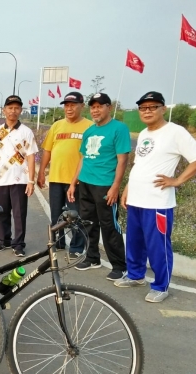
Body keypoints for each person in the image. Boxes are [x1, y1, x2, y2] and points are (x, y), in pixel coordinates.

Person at [115, 91, 196, 302]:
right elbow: (140, 164)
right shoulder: (145, 134)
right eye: (143, 108)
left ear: (163, 109)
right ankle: (135, 275)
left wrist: (177, 181)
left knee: (158, 245)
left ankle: (160, 286)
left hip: (157, 202)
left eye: (152, 107)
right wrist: (128, 188)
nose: (147, 111)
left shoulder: (176, 132)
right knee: (134, 242)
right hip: (137, 199)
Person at [67, 93, 131, 280]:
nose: (95, 110)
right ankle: (92, 257)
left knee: (109, 226)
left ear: (108, 108)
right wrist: (73, 183)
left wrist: (115, 186)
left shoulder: (119, 129)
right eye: (93, 107)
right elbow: (83, 158)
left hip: (105, 186)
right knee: (88, 224)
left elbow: (122, 160)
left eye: (99, 106)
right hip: (86, 183)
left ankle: (119, 265)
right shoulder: (89, 131)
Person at [37, 92, 93, 259]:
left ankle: (76, 247)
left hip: (76, 180)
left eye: (73, 105)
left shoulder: (89, 127)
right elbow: (47, 150)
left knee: (75, 215)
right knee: (56, 215)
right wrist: (42, 172)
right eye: (66, 105)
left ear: (82, 106)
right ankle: (58, 242)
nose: (69, 108)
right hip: (55, 178)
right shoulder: (57, 126)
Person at [0, 95, 38, 257]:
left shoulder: (26, 132)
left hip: (20, 180)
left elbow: (31, 156)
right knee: (3, 211)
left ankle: (19, 243)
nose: (13, 111)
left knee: (19, 213)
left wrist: (31, 180)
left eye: (16, 108)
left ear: (20, 110)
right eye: (10, 108)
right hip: (2, 179)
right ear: (4, 110)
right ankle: (4, 240)